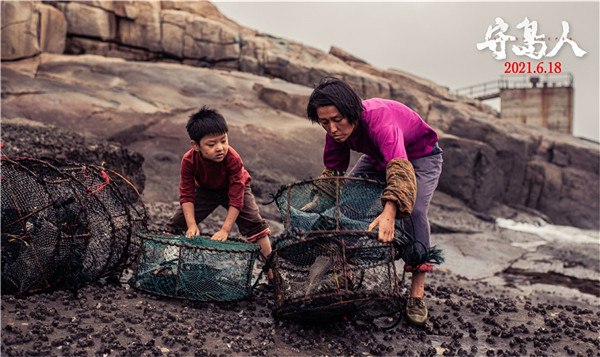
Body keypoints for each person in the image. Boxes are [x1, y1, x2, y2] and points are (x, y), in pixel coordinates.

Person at [305, 77, 443, 326]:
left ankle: (416, 295)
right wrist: (318, 202)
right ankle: (341, 272)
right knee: (349, 204)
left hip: (419, 157)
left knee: (415, 212)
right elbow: (334, 173)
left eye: (338, 119)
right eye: (325, 122)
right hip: (378, 158)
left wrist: (389, 213)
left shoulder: (381, 122)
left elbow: (400, 171)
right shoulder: (335, 133)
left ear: (352, 112)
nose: (333, 128)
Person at [167, 106, 273, 267]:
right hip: (205, 190)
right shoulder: (189, 161)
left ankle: (272, 270)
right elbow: (187, 195)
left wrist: (225, 229)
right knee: (175, 225)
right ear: (195, 145)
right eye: (211, 144)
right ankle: (164, 265)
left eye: (223, 141)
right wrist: (192, 225)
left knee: (255, 225)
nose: (220, 148)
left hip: (234, 188)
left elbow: (236, 198)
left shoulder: (233, 159)